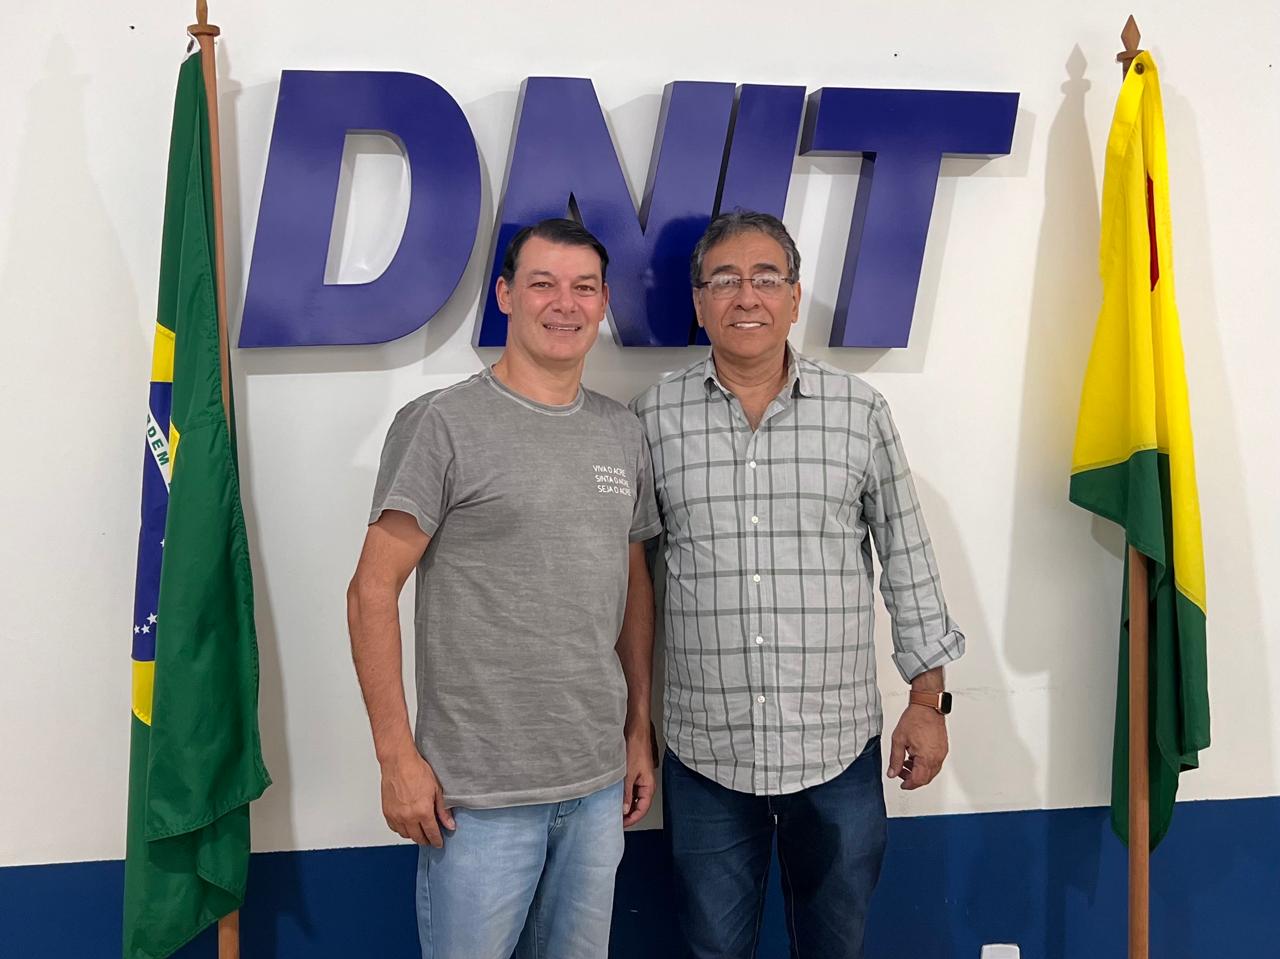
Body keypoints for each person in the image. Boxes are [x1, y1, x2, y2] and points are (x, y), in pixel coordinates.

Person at [631, 210, 965, 958]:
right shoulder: (650, 419)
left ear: (793, 296)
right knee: (713, 950)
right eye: (724, 280)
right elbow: (633, 587)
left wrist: (927, 701)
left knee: (834, 948)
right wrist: (635, 725)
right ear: (699, 302)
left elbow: (908, 559)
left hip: (835, 748)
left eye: (765, 278)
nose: (746, 297)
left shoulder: (858, 412)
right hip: (705, 751)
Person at [348, 217, 662, 959]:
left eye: (584, 287)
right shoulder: (443, 424)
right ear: (505, 295)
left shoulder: (621, 433)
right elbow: (370, 591)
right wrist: (396, 758)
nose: (565, 303)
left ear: (603, 301)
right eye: (542, 284)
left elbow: (631, 587)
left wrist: (638, 730)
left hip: (595, 787)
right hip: (477, 797)